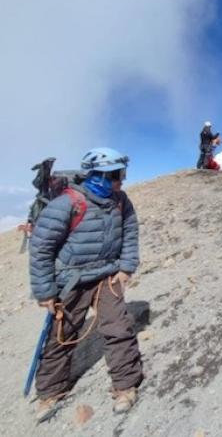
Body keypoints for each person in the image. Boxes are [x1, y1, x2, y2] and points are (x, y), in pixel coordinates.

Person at [29, 147, 142, 423]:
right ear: (99, 176)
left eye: (122, 173)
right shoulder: (66, 204)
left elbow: (130, 232)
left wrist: (126, 267)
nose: (121, 180)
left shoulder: (120, 200)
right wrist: (45, 292)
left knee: (119, 329)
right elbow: (41, 249)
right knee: (62, 335)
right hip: (71, 281)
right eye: (117, 175)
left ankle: (125, 386)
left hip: (107, 276)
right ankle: (50, 392)